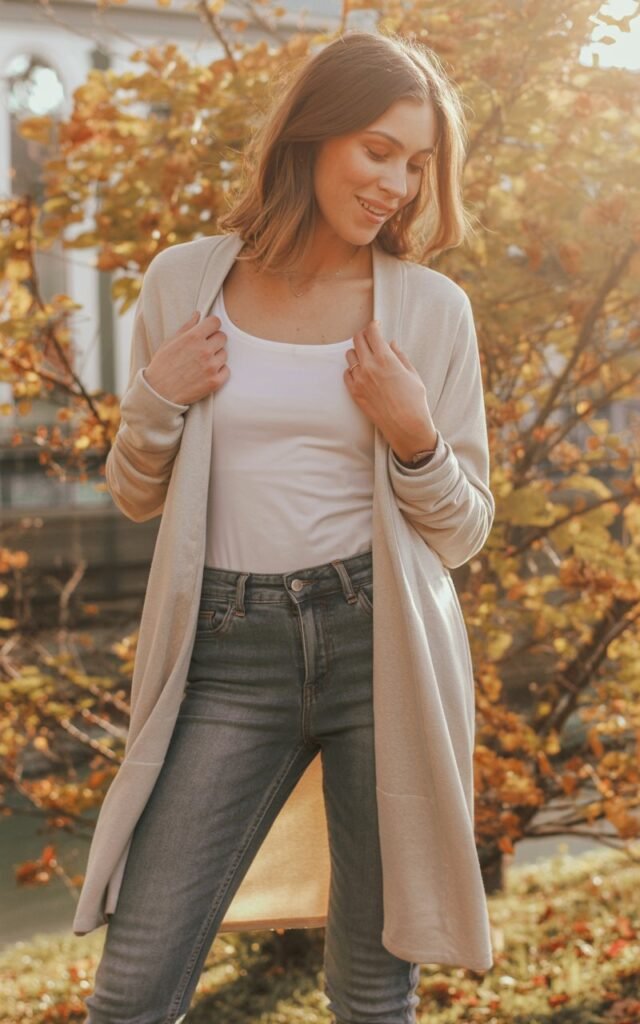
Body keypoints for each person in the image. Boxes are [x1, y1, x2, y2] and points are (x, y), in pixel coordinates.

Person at [80, 28, 495, 1024]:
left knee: (370, 986)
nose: (397, 182)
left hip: (381, 644)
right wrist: (156, 398)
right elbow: (135, 491)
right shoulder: (188, 282)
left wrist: (413, 440)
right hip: (226, 652)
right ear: (310, 136)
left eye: (416, 163)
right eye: (377, 150)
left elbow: (464, 529)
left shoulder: (430, 311)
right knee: (133, 986)